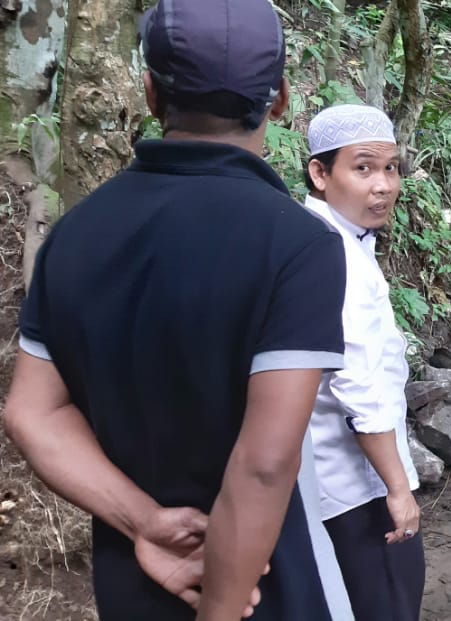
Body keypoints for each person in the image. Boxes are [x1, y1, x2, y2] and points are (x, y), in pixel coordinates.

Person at [3, 1, 354, 620]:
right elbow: (264, 465)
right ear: (279, 98)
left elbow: (33, 412)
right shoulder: (297, 244)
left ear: (150, 93)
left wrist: (143, 521)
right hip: (268, 592)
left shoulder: (77, 234)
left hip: (138, 583)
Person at [303, 104, 425, 621]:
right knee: (387, 602)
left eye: (391, 168)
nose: (383, 185)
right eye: (363, 168)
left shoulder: (328, 239)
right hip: (358, 487)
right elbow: (356, 382)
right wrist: (396, 487)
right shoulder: (335, 255)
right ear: (320, 173)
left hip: (328, 481)